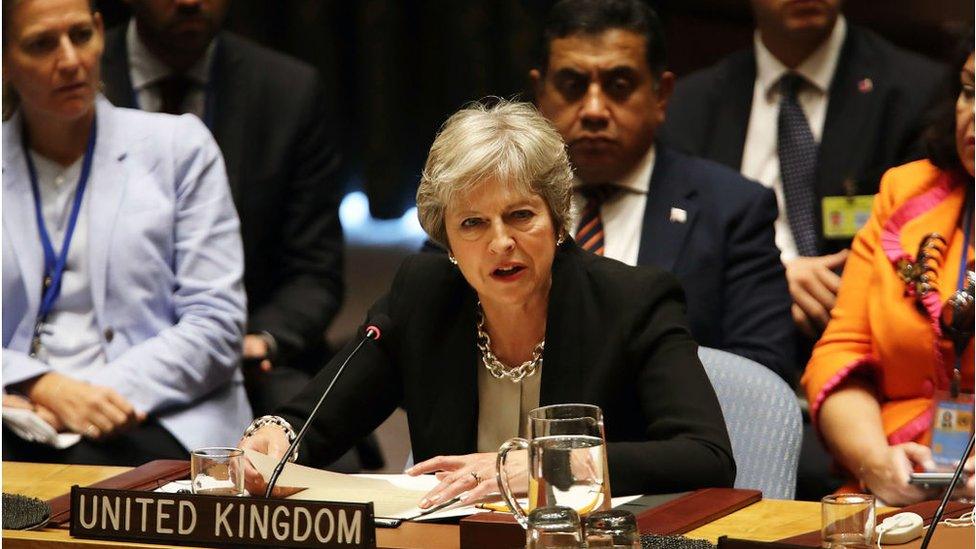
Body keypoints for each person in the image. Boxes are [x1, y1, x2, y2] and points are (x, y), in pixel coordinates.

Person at [240, 99, 735, 505]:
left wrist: (547, 469)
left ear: (558, 220)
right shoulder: (423, 294)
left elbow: (705, 455)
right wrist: (277, 433)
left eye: (520, 215)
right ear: (447, 241)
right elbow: (324, 413)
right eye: (472, 223)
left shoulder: (631, 301)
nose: (500, 243)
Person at [1, 0, 250, 465]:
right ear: (5, 61)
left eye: (80, 35)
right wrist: (42, 386)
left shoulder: (179, 147)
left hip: (161, 409)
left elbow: (216, 324)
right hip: (18, 407)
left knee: (85, 483)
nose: (71, 60)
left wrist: (85, 396)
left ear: (100, 31)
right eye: (41, 44)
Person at [99, 0, 345, 419]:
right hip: (100, 355)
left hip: (242, 354)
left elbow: (314, 272)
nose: (191, 2)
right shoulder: (70, 77)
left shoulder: (287, 91)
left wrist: (260, 339)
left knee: (321, 464)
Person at [530, 0, 795, 380]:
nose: (593, 109)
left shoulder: (733, 209)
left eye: (618, 86)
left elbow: (763, 370)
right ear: (540, 94)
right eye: (572, 86)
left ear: (661, 95)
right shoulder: (492, 200)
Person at [661, 0, 946, 343]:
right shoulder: (688, 106)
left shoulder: (917, 92)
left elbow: (927, 241)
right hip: (727, 336)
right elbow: (679, 246)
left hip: (862, 331)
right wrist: (771, 276)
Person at [802, 36, 974, 506]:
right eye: (970, 90)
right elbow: (839, 355)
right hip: (901, 478)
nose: (973, 114)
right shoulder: (907, 192)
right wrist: (876, 462)